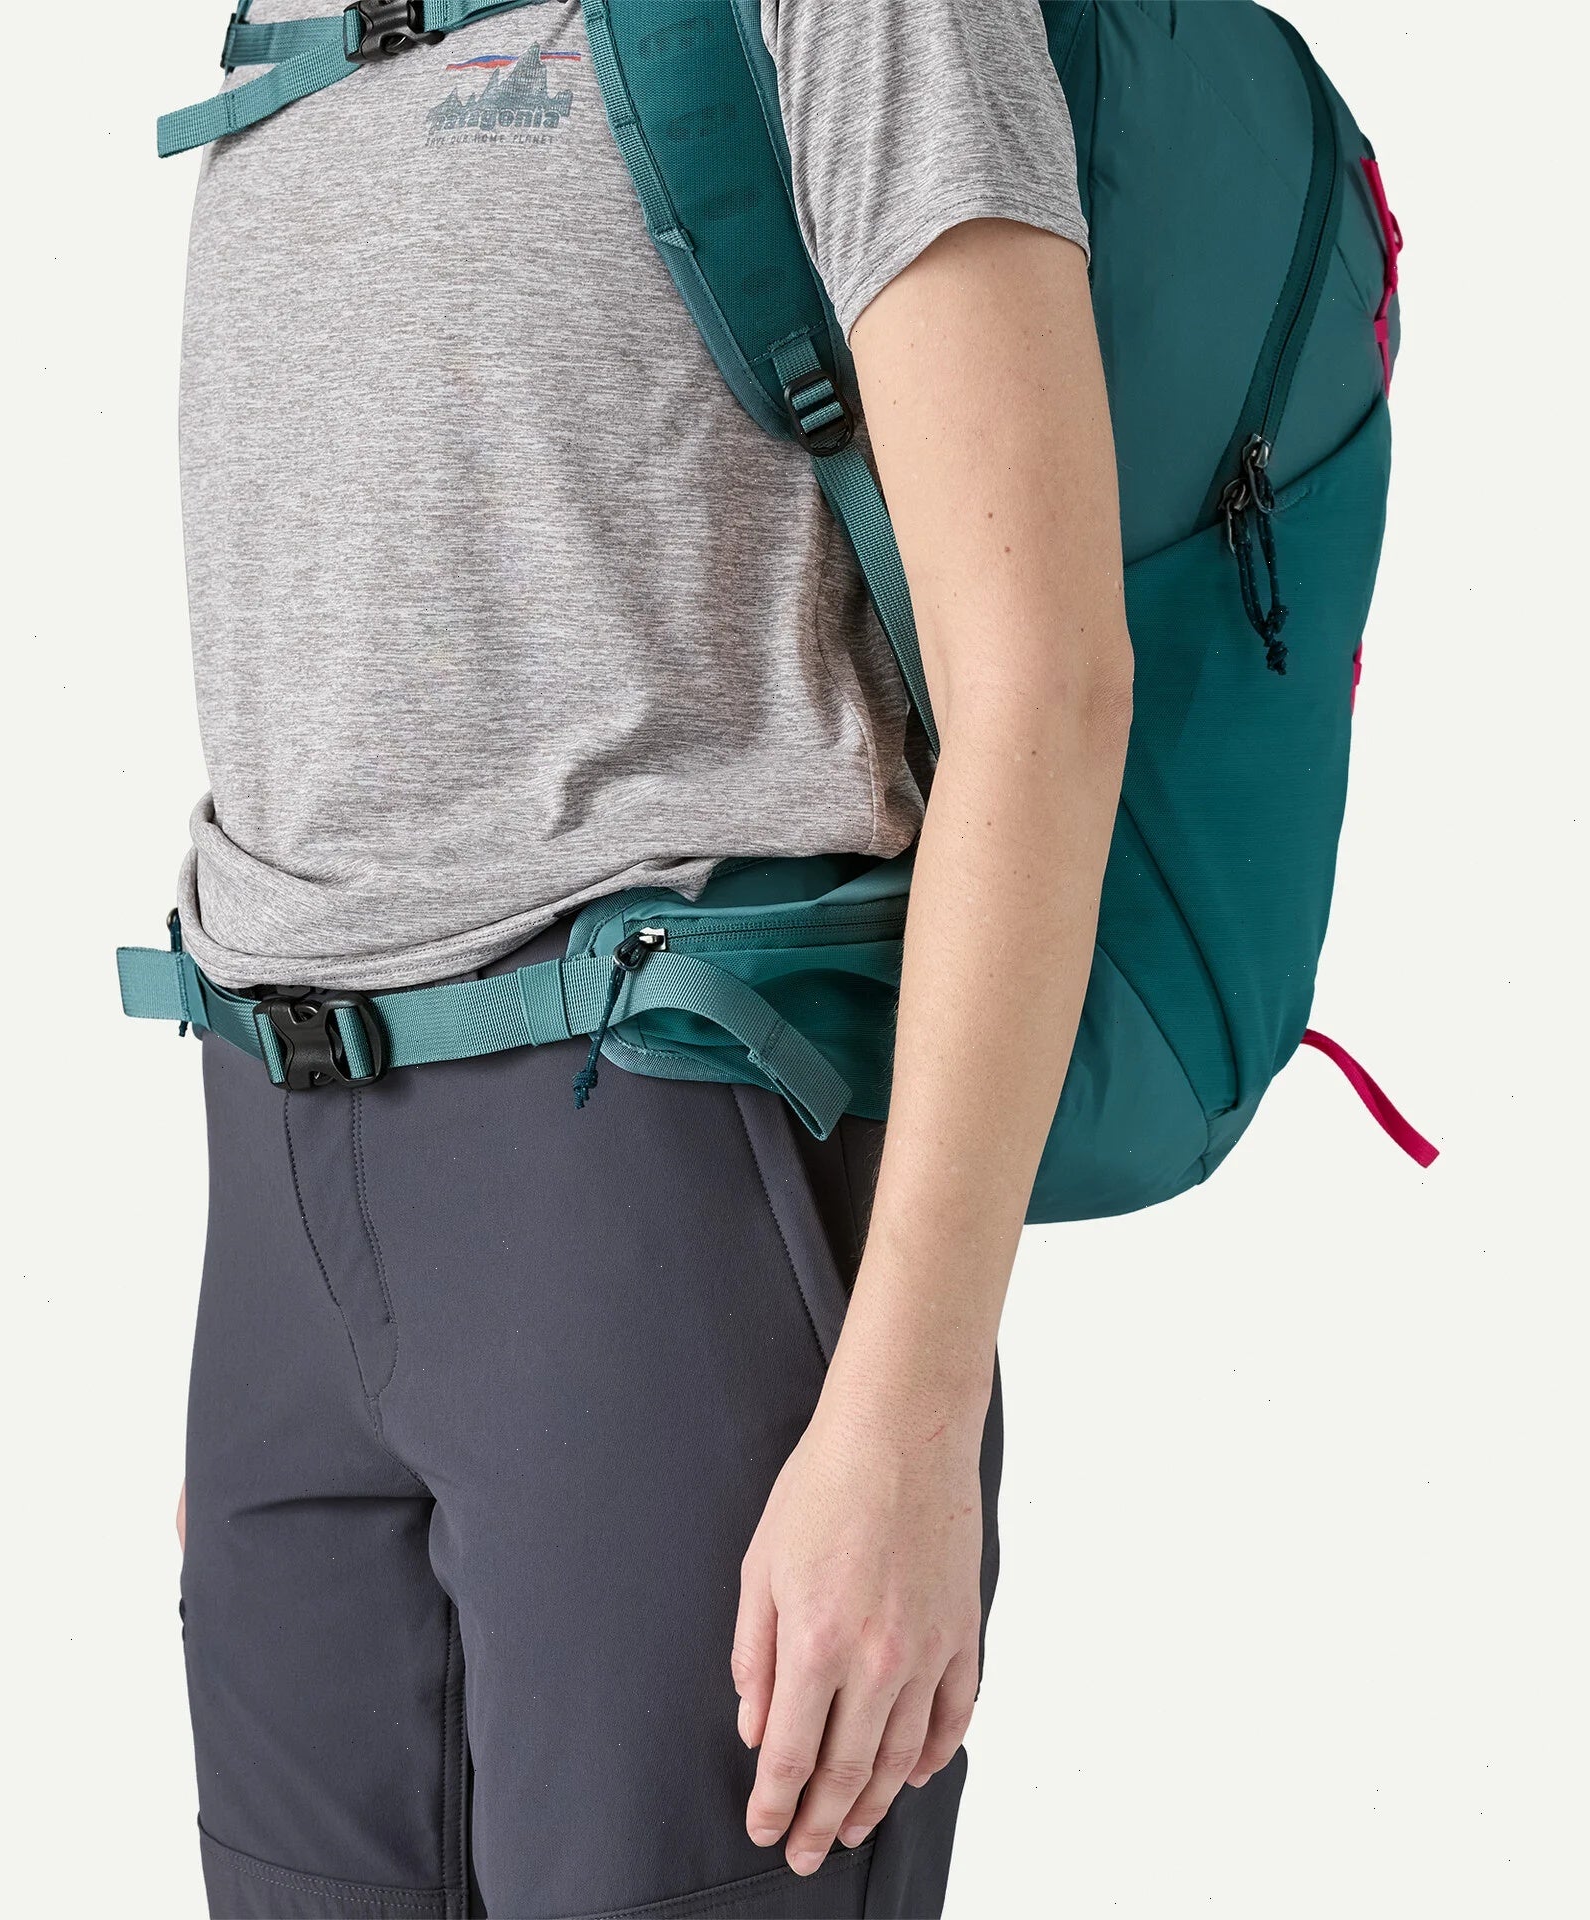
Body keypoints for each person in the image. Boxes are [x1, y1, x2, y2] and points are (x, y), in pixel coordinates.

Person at [164, 2, 1127, 1914]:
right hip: (282, 1198)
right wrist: (312, 1314)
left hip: (653, 1175)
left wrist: (909, 1420)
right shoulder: (281, 26)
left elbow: (1048, 688)